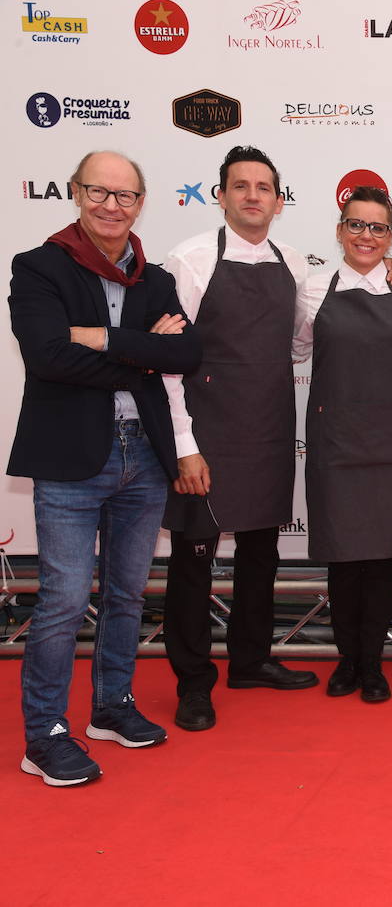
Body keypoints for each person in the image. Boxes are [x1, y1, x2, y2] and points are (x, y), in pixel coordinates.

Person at [9, 151, 201, 785]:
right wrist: (141, 355)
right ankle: (45, 734)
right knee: (64, 599)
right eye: (99, 192)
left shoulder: (154, 277)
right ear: (76, 193)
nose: (112, 205)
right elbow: (48, 358)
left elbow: (187, 350)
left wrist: (101, 337)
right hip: (71, 459)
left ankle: (112, 707)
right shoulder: (38, 267)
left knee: (125, 595)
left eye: (125, 195)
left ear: (141, 202)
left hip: (143, 455)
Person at [160, 146, 319, 733]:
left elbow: (299, 342)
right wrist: (184, 444)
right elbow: (169, 362)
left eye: (264, 187)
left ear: (278, 202)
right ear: (221, 194)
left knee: (260, 552)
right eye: (241, 186)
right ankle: (193, 682)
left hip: (269, 426)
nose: (253, 196)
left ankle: (251, 660)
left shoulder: (295, 262)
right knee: (194, 557)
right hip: (207, 431)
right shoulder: (191, 259)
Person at [293, 187, 392, 704]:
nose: (366, 236)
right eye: (357, 225)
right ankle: (346, 660)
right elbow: (297, 348)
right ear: (339, 229)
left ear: (390, 236)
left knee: (381, 559)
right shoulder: (311, 288)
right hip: (334, 441)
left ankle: (372, 663)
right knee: (342, 557)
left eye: (377, 228)